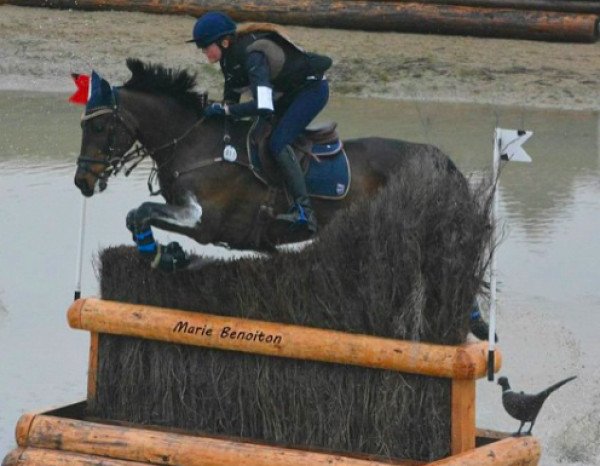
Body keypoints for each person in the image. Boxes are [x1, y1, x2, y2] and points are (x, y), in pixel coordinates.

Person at [188, 11, 332, 233]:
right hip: (286, 93)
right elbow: (231, 101)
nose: (204, 52)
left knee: (277, 142)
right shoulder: (228, 59)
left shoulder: (253, 55)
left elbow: (263, 107)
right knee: (253, 135)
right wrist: (213, 113)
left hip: (311, 91)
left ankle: (305, 211)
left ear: (224, 42)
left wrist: (224, 109)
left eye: (206, 47)